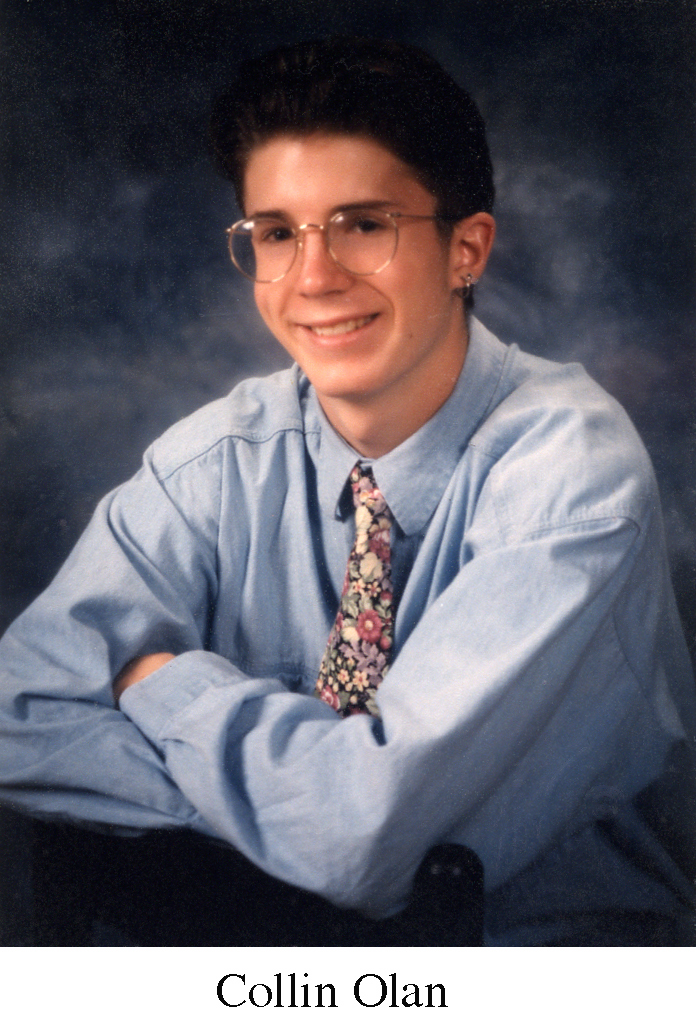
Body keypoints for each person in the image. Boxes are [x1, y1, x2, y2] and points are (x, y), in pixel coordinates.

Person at [0, 36, 694, 946]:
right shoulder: (214, 461)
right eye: (278, 234)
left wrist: (166, 687)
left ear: (467, 249)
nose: (315, 279)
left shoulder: (571, 475)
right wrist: (297, 803)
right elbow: (18, 713)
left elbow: (367, 842)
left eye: (364, 223)